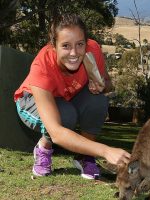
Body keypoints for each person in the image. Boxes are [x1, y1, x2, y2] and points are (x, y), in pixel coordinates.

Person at [14, 14, 131, 179]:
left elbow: (108, 85)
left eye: (80, 44)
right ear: (54, 46)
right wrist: (105, 151)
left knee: (98, 100)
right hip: (30, 100)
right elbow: (56, 132)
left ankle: (83, 156)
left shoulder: (93, 50)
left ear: (86, 43)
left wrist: (101, 85)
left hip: (65, 98)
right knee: (65, 116)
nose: (74, 53)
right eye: (66, 46)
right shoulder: (42, 66)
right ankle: (43, 148)